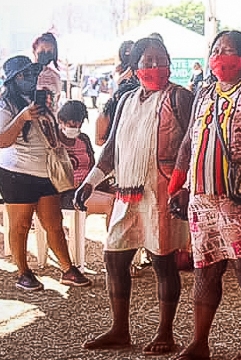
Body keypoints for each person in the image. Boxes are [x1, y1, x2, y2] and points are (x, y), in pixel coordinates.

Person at [170, 30, 241, 360]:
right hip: (203, 197)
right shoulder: (205, 93)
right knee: (206, 269)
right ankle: (199, 342)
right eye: (216, 49)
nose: (220, 56)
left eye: (229, 50)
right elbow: (188, 143)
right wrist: (178, 185)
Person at [75, 37, 192, 354]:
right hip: (127, 193)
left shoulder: (180, 97)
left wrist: (186, 186)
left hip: (163, 192)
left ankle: (165, 331)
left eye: (161, 59)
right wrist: (89, 182)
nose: (156, 67)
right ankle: (119, 329)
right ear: (135, 66)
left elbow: (193, 145)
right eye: (148, 61)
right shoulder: (126, 101)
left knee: (163, 263)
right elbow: (110, 149)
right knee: (114, 258)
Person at [0, 55, 91, 291]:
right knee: (20, 225)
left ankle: (67, 269)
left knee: (54, 223)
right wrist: (22, 117)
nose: (31, 78)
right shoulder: (6, 104)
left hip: (45, 171)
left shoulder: (39, 100)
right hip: (17, 173)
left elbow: (51, 134)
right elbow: (2, 140)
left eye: (32, 73)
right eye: (24, 74)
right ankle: (23, 272)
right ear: (13, 79)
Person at [97, 41, 139, 146]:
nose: (128, 53)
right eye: (127, 50)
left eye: (131, 50)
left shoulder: (139, 68)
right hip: (119, 100)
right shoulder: (119, 69)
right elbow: (117, 82)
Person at [57, 100, 95, 210]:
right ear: (61, 120)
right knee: (110, 203)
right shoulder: (54, 140)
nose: (77, 127)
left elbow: (92, 165)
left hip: (86, 188)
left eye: (80, 124)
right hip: (65, 193)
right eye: (72, 124)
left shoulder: (83, 139)